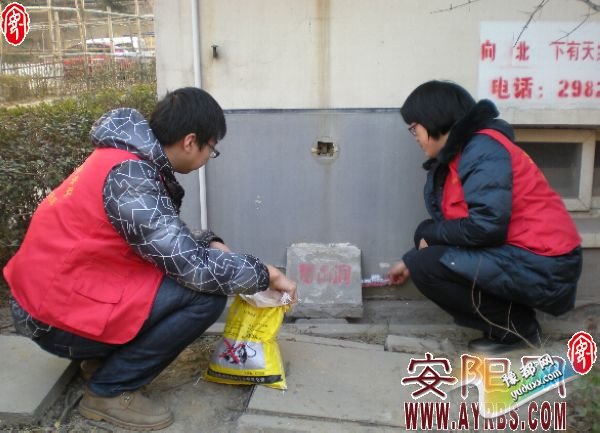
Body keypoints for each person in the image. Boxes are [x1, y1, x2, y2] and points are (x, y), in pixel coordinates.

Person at [3, 87, 297, 431]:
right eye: (211, 148)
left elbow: (157, 238)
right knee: (205, 297)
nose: (209, 156)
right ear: (190, 142)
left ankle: (102, 360)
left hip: (54, 295)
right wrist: (266, 274)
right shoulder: (131, 179)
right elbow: (193, 268)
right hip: (50, 317)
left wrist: (210, 243)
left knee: (177, 278)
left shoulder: (125, 160)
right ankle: (109, 390)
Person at [388, 80, 582, 355]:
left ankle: (516, 330)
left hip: (547, 263)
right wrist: (412, 255)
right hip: (520, 253)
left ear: (433, 119)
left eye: (414, 128)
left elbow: (486, 226)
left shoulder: (482, 150)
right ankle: (512, 317)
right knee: (424, 238)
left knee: (426, 263)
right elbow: (459, 224)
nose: (415, 136)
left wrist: (420, 254)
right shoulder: (461, 154)